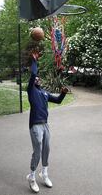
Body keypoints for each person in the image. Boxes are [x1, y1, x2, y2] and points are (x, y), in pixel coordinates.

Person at [26, 53, 69, 193]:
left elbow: (57, 101)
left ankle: (44, 174)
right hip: (35, 124)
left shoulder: (44, 93)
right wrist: (34, 60)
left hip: (45, 124)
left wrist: (62, 93)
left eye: (39, 78)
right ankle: (31, 177)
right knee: (37, 149)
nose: (37, 78)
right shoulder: (31, 90)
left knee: (46, 149)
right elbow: (33, 74)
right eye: (36, 78)